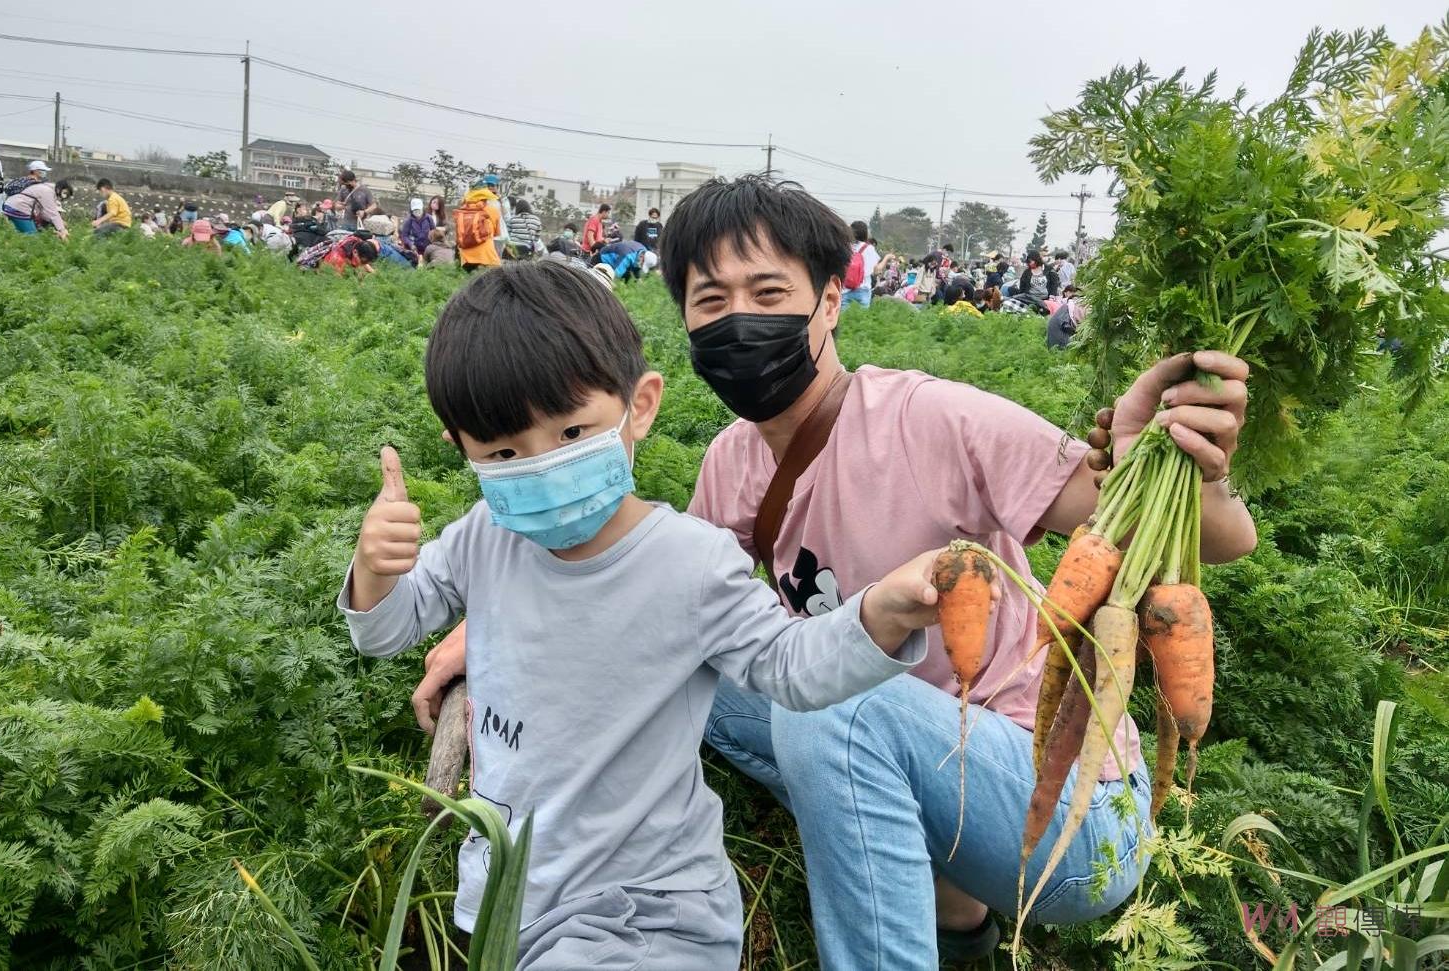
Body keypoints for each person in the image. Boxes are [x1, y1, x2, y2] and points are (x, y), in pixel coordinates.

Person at [408, 175, 1257, 969]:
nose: (740, 318)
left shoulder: (933, 418)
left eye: (768, 294)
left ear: (829, 302)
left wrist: (1198, 469)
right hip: (924, 763)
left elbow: (1214, 539)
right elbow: (649, 606)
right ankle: (949, 901)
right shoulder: (731, 462)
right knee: (676, 672)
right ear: (686, 326)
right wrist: (490, 631)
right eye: (711, 301)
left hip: (1059, 813)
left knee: (836, 714)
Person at [337, 259, 940, 970]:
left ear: (640, 405)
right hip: (509, 894)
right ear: (461, 447)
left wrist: (882, 610)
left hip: (643, 911)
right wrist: (376, 570)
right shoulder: (483, 537)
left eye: (569, 434)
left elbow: (789, 668)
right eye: (503, 452)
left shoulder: (691, 561)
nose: (541, 465)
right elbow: (386, 630)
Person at [0, 160, 67, 240]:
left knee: (21, 235)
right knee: (32, 238)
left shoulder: (22, 181)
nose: (45, 173)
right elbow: (51, 210)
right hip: (19, 209)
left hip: (11, 206)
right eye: (43, 170)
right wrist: (61, 228)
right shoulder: (38, 185)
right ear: (35, 171)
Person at [453, 177, 503, 270]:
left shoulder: (462, 209)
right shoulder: (492, 210)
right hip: (486, 256)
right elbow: (497, 234)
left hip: (465, 257)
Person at [839, 220, 880, 309]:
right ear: (865, 233)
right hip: (863, 290)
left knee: (844, 320)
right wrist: (887, 257)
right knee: (861, 320)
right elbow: (876, 270)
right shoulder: (869, 248)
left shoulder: (845, 247)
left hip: (845, 289)